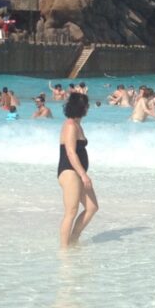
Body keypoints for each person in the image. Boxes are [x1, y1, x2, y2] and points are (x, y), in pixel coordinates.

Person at [57, 92, 98, 248]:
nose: (88, 108)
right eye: (87, 106)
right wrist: (83, 175)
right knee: (71, 212)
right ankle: (64, 249)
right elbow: (70, 152)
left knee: (92, 207)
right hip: (69, 171)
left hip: (77, 172)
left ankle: (74, 239)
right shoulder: (69, 126)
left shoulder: (77, 124)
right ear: (82, 108)